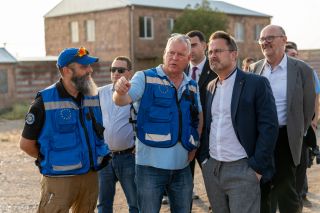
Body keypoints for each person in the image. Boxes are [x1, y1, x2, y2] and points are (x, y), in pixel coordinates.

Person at [113, 33, 203, 213]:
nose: (174, 58)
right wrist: (120, 91)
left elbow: (198, 116)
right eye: (171, 53)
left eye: (180, 54)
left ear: (188, 58)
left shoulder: (192, 85)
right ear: (164, 54)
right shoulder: (144, 77)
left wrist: (194, 146)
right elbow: (121, 100)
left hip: (182, 168)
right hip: (149, 168)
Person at [19, 47, 111, 212]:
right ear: (67, 71)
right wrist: (52, 159)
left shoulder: (92, 96)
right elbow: (26, 144)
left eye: (90, 66)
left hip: (90, 177)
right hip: (59, 180)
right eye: (84, 67)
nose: (90, 70)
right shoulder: (44, 102)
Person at [197, 30, 279, 213]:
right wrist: (204, 161)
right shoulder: (211, 86)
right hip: (213, 169)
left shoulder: (256, 83)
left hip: (243, 169)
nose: (212, 55)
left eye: (218, 51)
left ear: (233, 54)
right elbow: (209, 126)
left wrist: (256, 169)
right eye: (210, 52)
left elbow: (269, 127)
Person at [249, 25, 315, 213]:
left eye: (270, 37)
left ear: (284, 40)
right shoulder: (254, 69)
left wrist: (297, 131)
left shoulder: (302, 69)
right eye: (262, 39)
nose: (265, 42)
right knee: (262, 190)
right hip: (260, 139)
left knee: (286, 191)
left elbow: (308, 106)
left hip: (287, 137)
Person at [97, 56, 138, 212]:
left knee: (135, 203)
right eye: (113, 69)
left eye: (120, 70)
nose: (115, 73)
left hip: (128, 158)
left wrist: (138, 145)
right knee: (103, 204)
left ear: (129, 72)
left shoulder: (136, 93)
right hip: (104, 158)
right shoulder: (99, 93)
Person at [285, 41, 320, 208]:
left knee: (302, 164)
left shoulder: (307, 71)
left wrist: (313, 121)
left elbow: (314, 98)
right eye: (291, 55)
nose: (295, 57)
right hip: (283, 130)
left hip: (303, 128)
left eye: (295, 54)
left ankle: (300, 196)